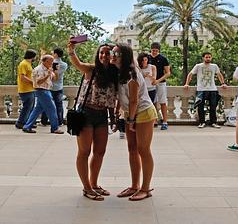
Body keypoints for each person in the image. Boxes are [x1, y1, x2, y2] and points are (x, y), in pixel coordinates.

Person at [67, 41, 118, 201]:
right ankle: (87, 187)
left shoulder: (113, 73)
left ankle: (94, 184)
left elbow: (112, 97)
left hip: (102, 115)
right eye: (101, 52)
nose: (104, 55)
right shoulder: (90, 69)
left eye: (107, 53)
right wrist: (71, 49)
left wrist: (113, 117)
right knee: (84, 152)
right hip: (86, 113)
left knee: (100, 151)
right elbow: (77, 62)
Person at [112, 44, 157, 201]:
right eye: (113, 53)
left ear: (124, 56)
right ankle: (134, 185)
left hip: (143, 112)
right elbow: (122, 97)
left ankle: (145, 188)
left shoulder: (132, 73)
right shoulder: (119, 72)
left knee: (143, 150)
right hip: (130, 113)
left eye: (116, 53)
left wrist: (130, 120)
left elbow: (133, 100)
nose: (113, 55)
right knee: (132, 149)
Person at [22, 55, 65, 134]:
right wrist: (47, 75)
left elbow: (55, 79)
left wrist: (55, 71)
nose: (52, 63)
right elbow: (39, 82)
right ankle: (55, 128)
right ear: (45, 61)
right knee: (52, 109)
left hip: (46, 90)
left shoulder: (48, 69)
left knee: (37, 110)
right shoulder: (39, 69)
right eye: (51, 61)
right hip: (41, 90)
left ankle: (27, 126)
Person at [184, 52, 227, 129]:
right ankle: (202, 122)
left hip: (212, 89)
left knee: (213, 106)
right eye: (206, 57)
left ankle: (213, 122)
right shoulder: (198, 66)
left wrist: (223, 83)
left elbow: (219, 74)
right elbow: (190, 74)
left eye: (209, 57)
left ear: (211, 58)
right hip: (201, 89)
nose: (208, 58)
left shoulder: (214, 66)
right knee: (200, 106)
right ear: (203, 58)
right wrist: (187, 83)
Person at [42, 48, 68, 126]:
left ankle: (44, 121)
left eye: (53, 53)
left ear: (56, 54)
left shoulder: (48, 63)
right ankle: (60, 121)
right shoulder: (64, 64)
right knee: (59, 105)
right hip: (59, 87)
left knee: (46, 104)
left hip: (49, 87)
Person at [148, 42, 171, 130]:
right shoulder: (147, 58)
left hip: (161, 83)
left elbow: (168, 73)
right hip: (150, 83)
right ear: (151, 49)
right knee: (152, 102)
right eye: (153, 50)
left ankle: (165, 121)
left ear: (159, 50)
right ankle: (154, 120)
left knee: (162, 102)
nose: (154, 52)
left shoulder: (163, 58)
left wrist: (158, 80)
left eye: (156, 51)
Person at [16, 49, 37, 129]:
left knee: (30, 107)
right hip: (25, 89)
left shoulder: (28, 64)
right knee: (27, 107)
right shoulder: (23, 64)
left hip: (30, 89)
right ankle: (20, 122)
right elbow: (22, 77)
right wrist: (32, 82)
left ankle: (28, 122)